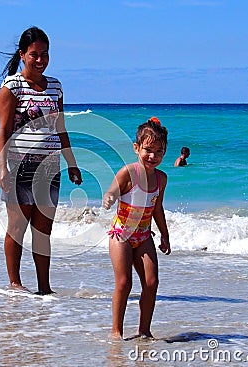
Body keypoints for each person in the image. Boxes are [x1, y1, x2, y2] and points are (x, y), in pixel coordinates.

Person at [0, 26, 82, 295]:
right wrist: (2, 168)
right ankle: (15, 283)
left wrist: (71, 162)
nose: (40, 60)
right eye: (34, 54)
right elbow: (3, 131)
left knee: (43, 230)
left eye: (45, 54)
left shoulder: (56, 86)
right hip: (20, 165)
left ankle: (44, 288)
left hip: (50, 167)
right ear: (22, 54)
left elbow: (61, 127)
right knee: (18, 227)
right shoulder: (11, 87)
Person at [103, 117, 171, 340]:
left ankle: (144, 330)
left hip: (143, 236)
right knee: (124, 282)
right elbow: (112, 190)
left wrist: (165, 235)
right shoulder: (128, 173)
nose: (153, 156)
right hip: (121, 234)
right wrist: (110, 197)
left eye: (159, 151)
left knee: (151, 282)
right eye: (148, 150)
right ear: (136, 148)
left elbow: (157, 209)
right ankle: (116, 330)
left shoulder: (161, 179)